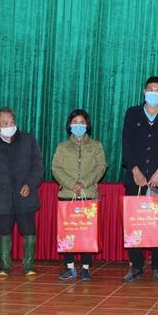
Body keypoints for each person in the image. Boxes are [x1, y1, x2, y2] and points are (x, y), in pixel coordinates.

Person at [121, 76, 158, 284]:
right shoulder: (132, 113)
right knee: (134, 222)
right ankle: (136, 265)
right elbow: (126, 143)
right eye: (150, 89)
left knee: (157, 223)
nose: (154, 93)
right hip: (135, 178)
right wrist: (134, 169)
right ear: (144, 91)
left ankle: (157, 266)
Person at [0, 107, 44, 276]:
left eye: (12, 122)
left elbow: (38, 167)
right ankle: (5, 266)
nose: (10, 126)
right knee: (4, 231)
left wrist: (30, 184)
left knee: (29, 231)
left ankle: (29, 265)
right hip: (2, 198)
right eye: (5, 123)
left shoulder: (29, 140)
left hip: (26, 197)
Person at [52, 109, 107, 281]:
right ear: (69, 125)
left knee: (86, 232)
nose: (78, 125)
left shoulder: (96, 146)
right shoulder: (62, 146)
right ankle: (69, 267)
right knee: (68, 232)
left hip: (88, 193)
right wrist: (71, 184)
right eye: (75, 122)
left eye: (82, 122)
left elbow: (101, 166)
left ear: (87, 125)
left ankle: (85, 268)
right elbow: (56, 168)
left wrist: (84, 183)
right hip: (67, 194)